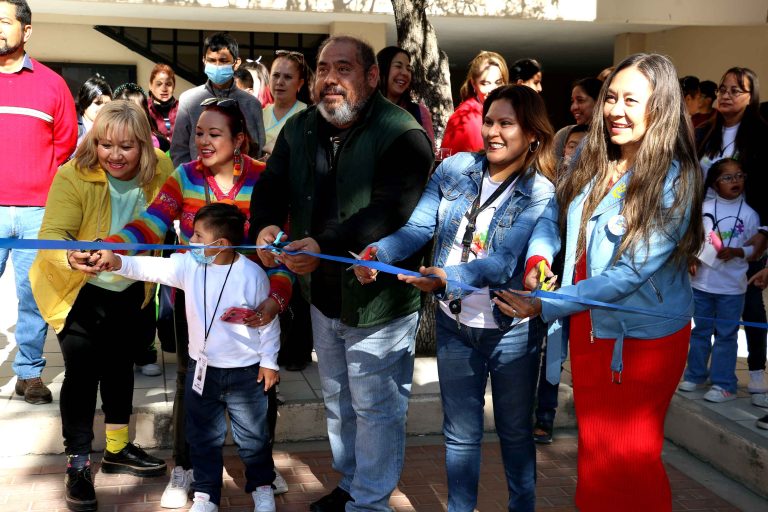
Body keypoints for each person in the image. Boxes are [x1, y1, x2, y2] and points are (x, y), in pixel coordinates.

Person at [495, 53, 703, 511]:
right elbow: (553, 215)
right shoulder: (593, 157)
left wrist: (544, 304)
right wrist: (539, 256)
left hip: (641, 340)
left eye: (631, 99)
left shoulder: (677, 178)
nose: (615, 110)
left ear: (660, 108)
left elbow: (630, 273)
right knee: (595, 454)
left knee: (633, 458)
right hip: (589, 330)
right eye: (611, 98)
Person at [249, 35, 433, 512]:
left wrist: (324, 245)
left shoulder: (402, 133)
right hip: (321, 294)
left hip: (379, 302)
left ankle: (370, 502)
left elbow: (390, 211)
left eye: (344, 68)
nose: (330, 78)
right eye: (324, 68)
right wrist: (266, 225)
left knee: (376, 409)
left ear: (372, 77)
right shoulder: (300, 127)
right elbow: (270, 184)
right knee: (338, 401)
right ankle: (353, 486)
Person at [356, 84, 558, 511]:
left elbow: (503, 263)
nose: (493, 132)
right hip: (454, 325)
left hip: (511, 333)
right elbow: (418, 228)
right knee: (460, 436)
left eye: (507, 123)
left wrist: (448, 277)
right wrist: (380, 253)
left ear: (532, 134)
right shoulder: (456, 169)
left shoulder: (540, 191)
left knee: (515, 432)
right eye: (489, 121)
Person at [103, 99, 293, 507]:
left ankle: (262, 473)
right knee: (193, 386)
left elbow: (280, 254)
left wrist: (274, 303)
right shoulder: (184, 175)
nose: (203, 141)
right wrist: (113, 249)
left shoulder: (264, 178)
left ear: (240, 139)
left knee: (261, 389)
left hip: (255, 306)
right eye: (198, 133)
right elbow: (153, 223)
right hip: (198, 308)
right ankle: (187, 469)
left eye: (214, 134)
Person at [29, 101, 171, 512]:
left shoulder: (161, 169)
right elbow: (52, 234)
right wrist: (72, 255)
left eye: (126, 146)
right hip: (78, 287)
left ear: (144, 146)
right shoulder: (72, 175)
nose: (115, 155)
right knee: (82, 373)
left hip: (131, 286)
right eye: (106, 144)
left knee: (120, 366)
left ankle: (116, 449)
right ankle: (77, 464)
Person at [99, 203, 281, 512]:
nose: (189, 241)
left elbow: (268, 322)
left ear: (221, 244)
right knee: (202, 437)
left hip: (246, 374)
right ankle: (205, 494)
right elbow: (148, 268)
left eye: (197, 235)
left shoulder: (252, 274)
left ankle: (262, 486)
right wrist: (116, 260)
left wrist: (269, 362)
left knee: (253, 438)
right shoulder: (188, 265)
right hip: (202, 370)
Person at [0, 0, 78, 405]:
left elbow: (65, 144)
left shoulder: (52, 84)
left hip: (36, 212)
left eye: (4, 21)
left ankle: (29, 373)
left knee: (34, 295)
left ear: (26, 30)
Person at [696, 67, 768, 394]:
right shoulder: (702, 134)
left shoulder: (762, 136)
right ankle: (700, 372)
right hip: (705, 232)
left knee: (749, 303)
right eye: (722, 89)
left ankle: (755, 371)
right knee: (706, 305)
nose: (725, 95)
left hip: (745, 231)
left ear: (750, 97)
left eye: (735, 90)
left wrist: (766, 230)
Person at [680, 158, 759, 402]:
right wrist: (690, 257)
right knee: (700, 331)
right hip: (702, 284)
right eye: (727, 177)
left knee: (726, 334)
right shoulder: (703, 207)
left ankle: (724, 384)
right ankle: (695, 375)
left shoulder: (749, 214)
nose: (735, 181)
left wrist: (737, 252)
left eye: (739, 176)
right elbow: (692, 239)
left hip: (732, 288)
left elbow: (755, 250)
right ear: (714, 184)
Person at [170, 32, 266, 166]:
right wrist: (190, 179)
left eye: (223, 61)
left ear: (236, 63)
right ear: (204, 60)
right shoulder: (189, 100)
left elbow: (258, 149)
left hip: (239, 181)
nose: (217, 66)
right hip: (199, 182)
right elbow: (179, 150)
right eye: (212, 60)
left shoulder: (251, 104)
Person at [440, 51, 508, 154]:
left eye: (498, 82)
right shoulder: (465, 119)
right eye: (485, 83)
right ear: (473, 84)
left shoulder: (503, 111)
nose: (493, 89)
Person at [376, 46, 435, 146]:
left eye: (408, 69)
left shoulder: (420, 113)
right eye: (398, 66)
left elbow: (429, 155)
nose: (405, 73)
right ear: (380, 71)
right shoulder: (363, 111)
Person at [262, 50, 309, 155]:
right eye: (276, 75)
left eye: (287, 77)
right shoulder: (260, 114)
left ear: (300, 83)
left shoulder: (308, 115)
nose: (279, 82)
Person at [552, 77, 602, 161]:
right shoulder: (564, 134)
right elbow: (551, 171)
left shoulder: (613, 137)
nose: (573, 107)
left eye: (580, 100)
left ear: (599, 102)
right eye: (573, 101)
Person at [114, 82, 171, 152]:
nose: (129, 116)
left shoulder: (160, 143)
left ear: (145, 112)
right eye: (122, 111)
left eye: (136, 110)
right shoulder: (107, 142)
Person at [76, 75, 112, 147]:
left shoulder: (115, 129)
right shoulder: (72, 129)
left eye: (107, 104)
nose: (103, 108)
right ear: (84, 102)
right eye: (98, 103)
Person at [147, 62, 179, 140]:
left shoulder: (183, 108)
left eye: (168, 84)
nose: (164, 88)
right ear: (150, 85)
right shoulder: (144, 108)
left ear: (174, 86)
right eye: (159, 84)